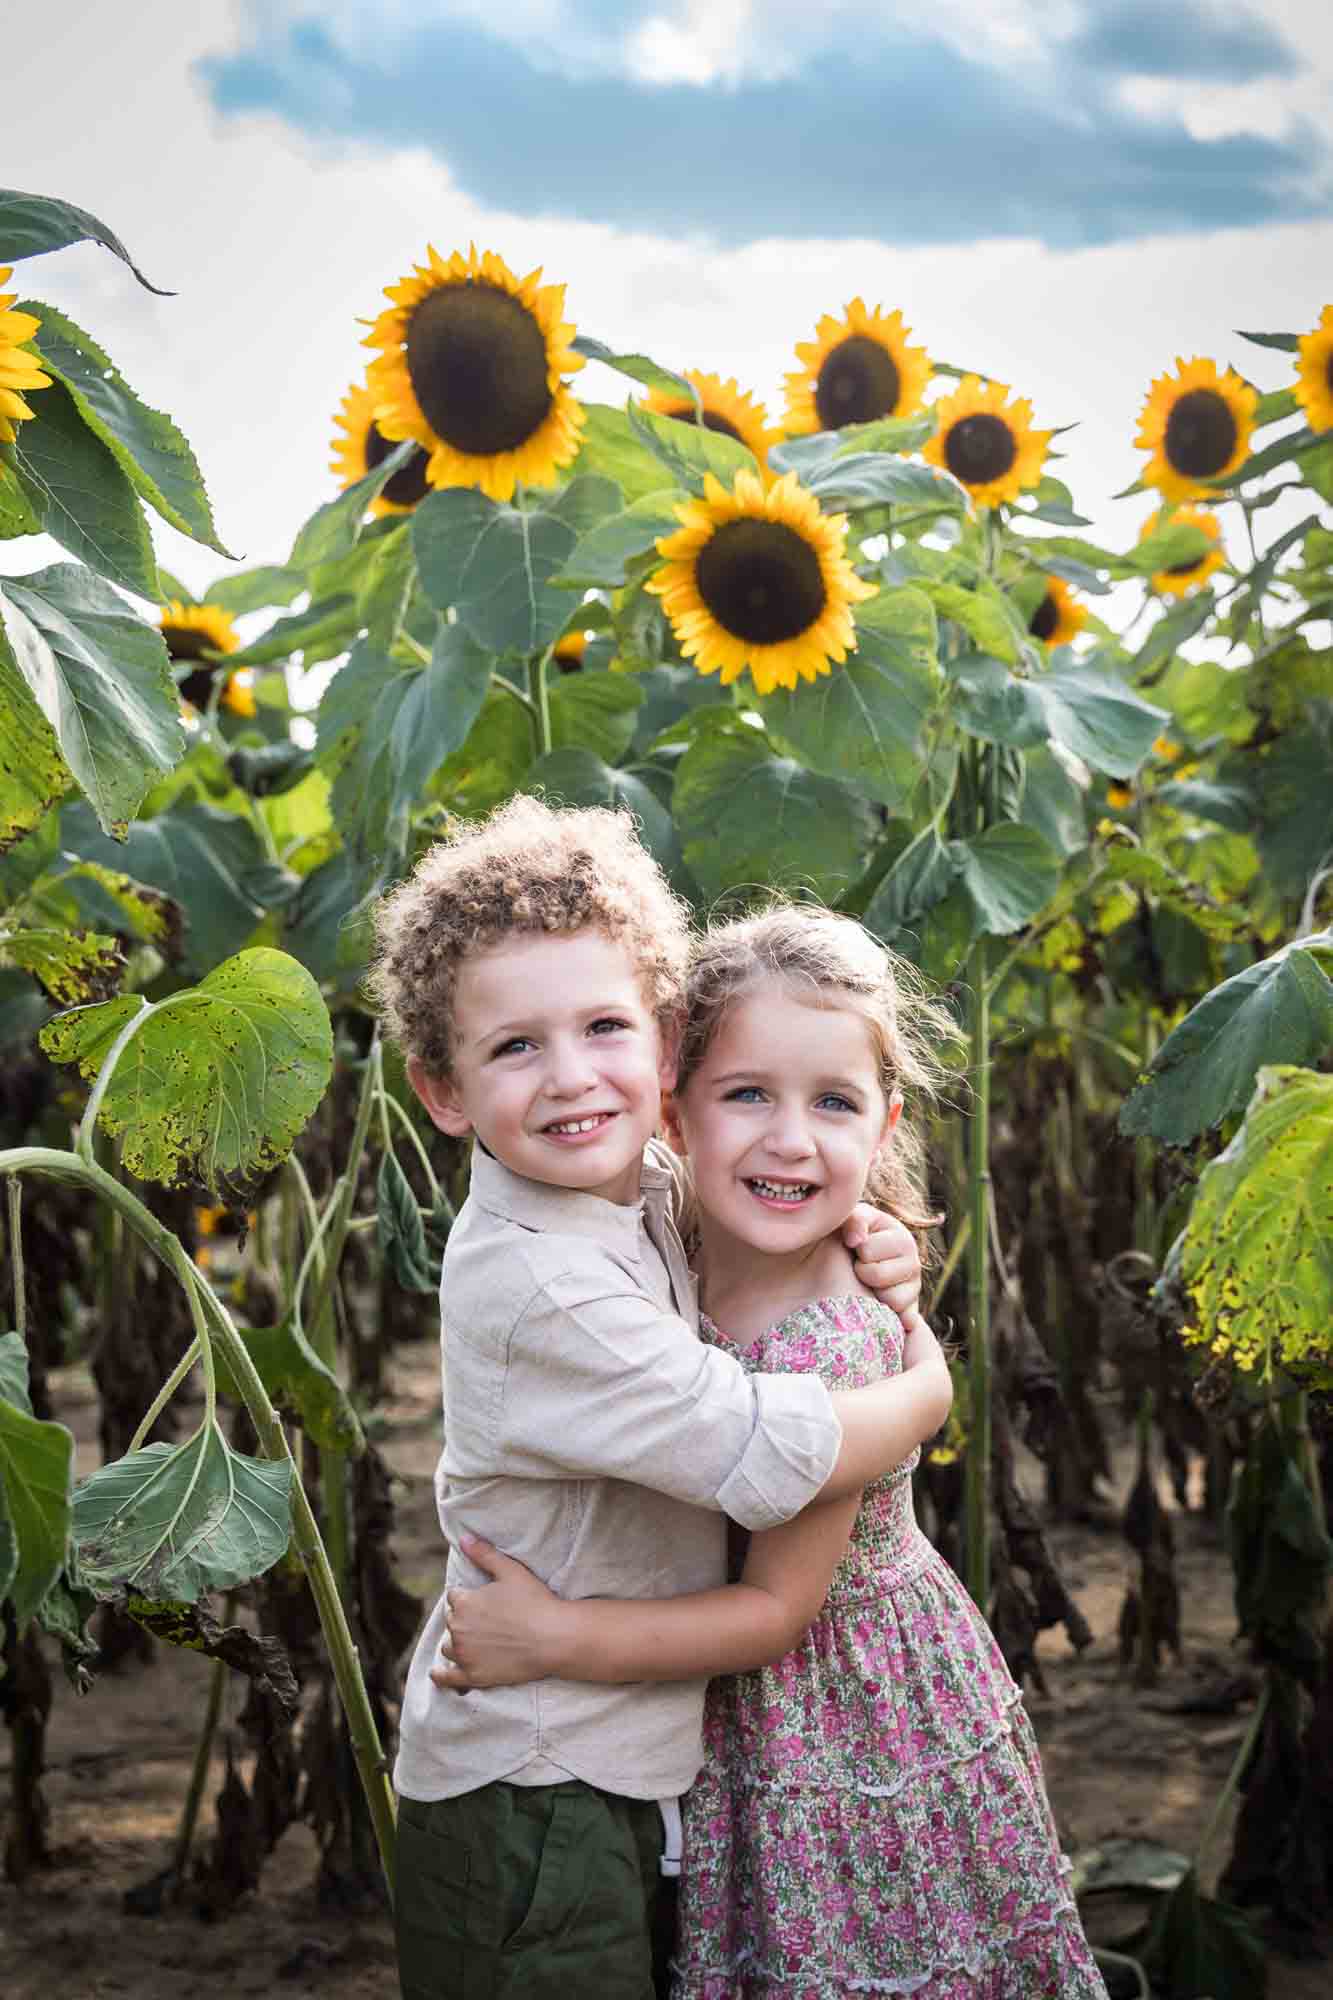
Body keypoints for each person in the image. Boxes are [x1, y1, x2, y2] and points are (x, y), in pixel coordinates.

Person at [435, 902, 1109, 1998]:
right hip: (750, 1707)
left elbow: (773, 1615)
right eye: (746, 1092)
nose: (789, 1138)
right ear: (672, 1107)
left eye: (833, 1103)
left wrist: (553, 1635)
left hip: (839, 1715)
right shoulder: (672, 1234)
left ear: (883, 1126)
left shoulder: (829, 1342)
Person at [367, 799, 953, 2000]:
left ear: (663, 1040)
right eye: (514, 1047)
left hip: (605, 1755)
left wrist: (875, 1234)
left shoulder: (625, 1181)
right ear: (441, 1089)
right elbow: (760, 1443)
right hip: (535, 1774)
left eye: (602, 1026)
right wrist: (931, 1386)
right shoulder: (545, 1284)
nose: (573, 1074)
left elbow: (759, 1171)